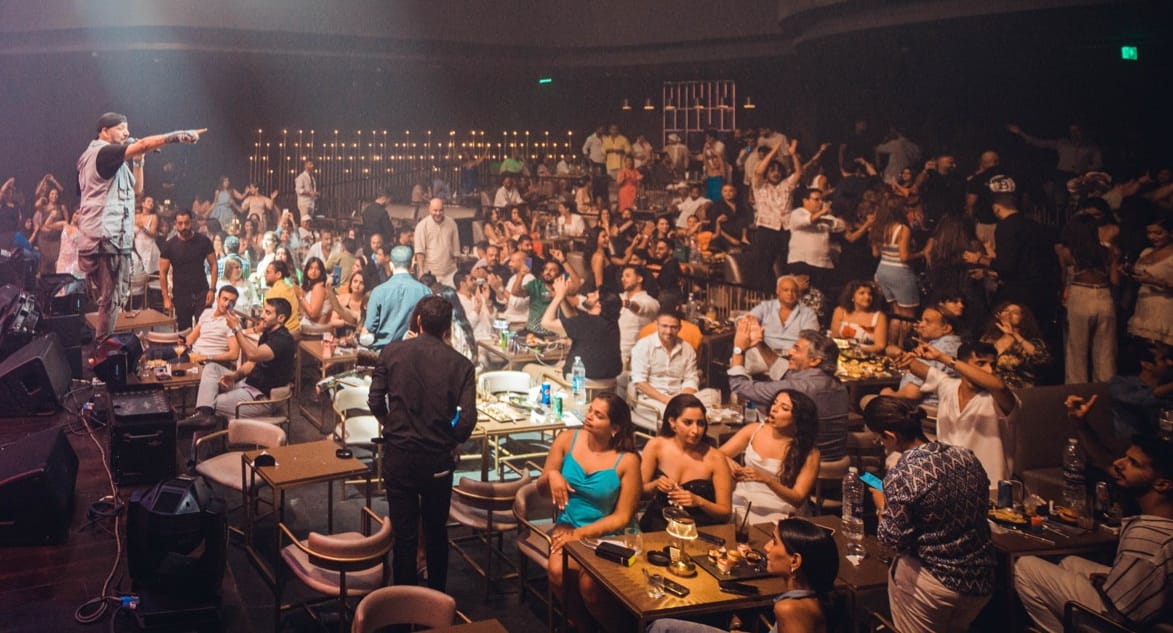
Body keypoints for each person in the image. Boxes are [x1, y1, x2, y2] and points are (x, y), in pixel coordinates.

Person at [1014, 395, 1173, 633]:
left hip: (1120, 622)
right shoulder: (1159, 520)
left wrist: (1108, 591)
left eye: (1133, 463)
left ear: (1162, 484)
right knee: (1069, 562)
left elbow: (1121, 616)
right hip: (1140, 606)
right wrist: (1081, 424)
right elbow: (1107, 462)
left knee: (1025, 566)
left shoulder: (1148, 537)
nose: (1119, 463)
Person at [366, 295, 475, 590]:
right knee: (436, 532)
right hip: (437, 459)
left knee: (404, 536)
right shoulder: (461, 364)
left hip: (399, 455)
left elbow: (374, 400)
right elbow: (467, 420)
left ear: (418, 321)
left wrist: (391, 426)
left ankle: (403, 602)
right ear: (447, 328)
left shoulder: (392, 352)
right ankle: (437, 599)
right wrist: (451, 439)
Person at [865, 396, 996, 633]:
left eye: (879, 438)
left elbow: (890, 540)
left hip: (934, 584)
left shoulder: (903, 473)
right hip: (980, 580)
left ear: (890, 436)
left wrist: (882, 504)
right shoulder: (966, 456)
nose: (880, 443)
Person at [76, 112, 203, 339]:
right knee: (111, 299)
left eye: (127, 128)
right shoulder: (103, 152)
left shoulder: (107, 161)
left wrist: (139, 160)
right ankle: (104, 348)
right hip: (107, 238)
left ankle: (104, 345)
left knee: (111, 299)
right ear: (104, 131)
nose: (126, 133)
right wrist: (178, 136)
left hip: (105, 238)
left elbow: (137, 190)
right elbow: (143, 143)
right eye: (121, 128)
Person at [540, 392, 640, 632]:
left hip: (611, 533)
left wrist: (580, 534)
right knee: (557, 572)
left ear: (615, 428)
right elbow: (541, 490)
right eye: (590, 410)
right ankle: (583, 626)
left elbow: (623, 517)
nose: (589, 417)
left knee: (590, 587)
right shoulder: (567, 439)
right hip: (569, 523)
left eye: (599, 415)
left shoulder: (628, 460)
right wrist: (552, 475)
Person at [648, 518, 839, 633]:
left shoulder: (789, 608)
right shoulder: (811, 596)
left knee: (661, 628)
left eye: (774, 542)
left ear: (795, 561)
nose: (766, 547)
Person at [892, 341, 1018, 485]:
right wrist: (905, 355)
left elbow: (1000, 387)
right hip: (951, 484)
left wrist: (941, 357)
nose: (989, 370)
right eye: (981, 363)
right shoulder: (948, 387)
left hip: (991, 487)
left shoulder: (999, 399)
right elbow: (917, 366)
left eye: (993, 365)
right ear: (963, 365)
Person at [729, 328, 850, 462]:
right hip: (837, 459)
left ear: (814, 361)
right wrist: (760, 343)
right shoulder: (838, 385)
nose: (789, 352)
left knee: (751, 432)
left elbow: (740, 386)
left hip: (803, 463)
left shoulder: (798, 389)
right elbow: (783, 370)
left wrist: (738, 349)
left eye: (796, 349)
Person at [178, 297, 296, 429]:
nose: (262, 315)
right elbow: (252, 363)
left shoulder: (282, 340)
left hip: (262, 397)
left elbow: (252, 354)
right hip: (248, 384)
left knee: (212, 402)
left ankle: (203, 418)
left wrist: (236, 328)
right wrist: (235, 376)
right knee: (211, 368)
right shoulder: (268, 333)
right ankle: (204, 417)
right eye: (263, 310)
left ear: (281, 318)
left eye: (268, 313)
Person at [719, 388, 821, 524]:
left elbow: (797, 499)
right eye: (775, 403)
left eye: (784, 408)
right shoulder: (754, 430)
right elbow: (717, 455)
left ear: (798, 419)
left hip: (781, 507)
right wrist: (728, 462)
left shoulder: (809, 452)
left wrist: (767, 480)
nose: (774, 409)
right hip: (743, 498)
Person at [638, 394, 733, 532]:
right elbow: (639, 492)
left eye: (700, 423)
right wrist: (655, 485)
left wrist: (699, 501)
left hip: (696, 529)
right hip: (657, 524)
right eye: (688, 423)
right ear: (672, 422)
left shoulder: (716, 459)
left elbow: (725, 513)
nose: (695, 430)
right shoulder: (656, 446)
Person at [540, 276, 623, 381]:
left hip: (579, 382)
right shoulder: (610, 323)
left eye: (594, 294)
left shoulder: (587, 322)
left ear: (599, 304)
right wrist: (563, 297)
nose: (589, 294)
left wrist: (558, 297)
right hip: (608, 381)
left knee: (529, 368)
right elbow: (573, 321)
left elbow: (546, 323)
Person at [629, 310, 700, 421]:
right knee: (679, 416)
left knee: (710, 401)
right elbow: (639, 381)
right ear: (657, 325)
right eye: (664, 326)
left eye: (673, 327)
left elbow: (691, 378)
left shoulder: (687, 348)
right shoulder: (643, 346)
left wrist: (684, 399)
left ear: (680, 328)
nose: (668, 331)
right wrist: (667, 400)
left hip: (680, 397)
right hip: (652, 399)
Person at [744, 275, 819, 379]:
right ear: (778, 291)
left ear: (798, 293)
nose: (790, 293)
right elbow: (747, 319)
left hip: (791, 356)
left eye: (793, 291)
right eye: (785, 290)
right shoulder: (766, 307)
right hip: (763, 351)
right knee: (741, 363)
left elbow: (810, 339)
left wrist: (793, 352)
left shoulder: (808, 314)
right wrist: (750, 323)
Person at [159, 209, 217, 330]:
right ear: (175, 224)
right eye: (180, 223)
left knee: (204, 329)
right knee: (184, 331)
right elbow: (163, 273)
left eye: (186, 223)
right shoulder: (169, 245)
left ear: (192, 222)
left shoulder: (203, 241)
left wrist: (212, 290)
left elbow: (214, 265)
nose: (184, 227)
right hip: (181, 294)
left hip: (202, 291)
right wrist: (166, 297)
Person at [362, 245, 430, 348]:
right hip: (414, 351)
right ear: (412, 263)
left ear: (391, 265)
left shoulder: (378, 292)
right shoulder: (425, 291)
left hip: (384, 352)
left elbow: (370, 328)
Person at [979, 301, 1051, 388]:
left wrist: (1014, 334)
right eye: (1006, 310)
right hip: (992, 389)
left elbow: (1042, 358)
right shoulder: (988, 339)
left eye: (1015, 312)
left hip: (1020, 391)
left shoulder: (1030, 341)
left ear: (1023, 318)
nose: (1009, 314)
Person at [1127, 216, 1173, 345]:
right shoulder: (1146, 252)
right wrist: (1128, 272)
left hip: (1164, 307)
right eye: (1149, 233)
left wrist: (1154, 281)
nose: (1152, 237)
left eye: (1158, 233)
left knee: (1159, 350)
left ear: (1170, 233)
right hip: (1143, 306)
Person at [182, 285, 241, 366]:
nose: (227, 304)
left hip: (207, 363)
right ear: (217, 299)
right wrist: (183, 342)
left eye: (231, 302)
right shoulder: (207, 312)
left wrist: (207, 357)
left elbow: (234, 354)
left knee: (167, 367)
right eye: (225, 299)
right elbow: (191, 338)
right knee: (164, 355)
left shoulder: (233, 322)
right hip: (192, 356)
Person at [830, 280, 888, 355]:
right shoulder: (840, 311)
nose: (867, 297)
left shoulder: (879, 316)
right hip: (841, 354)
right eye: (862, 293)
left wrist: (859, 351)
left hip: (867, 356)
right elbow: (834, 338)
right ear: (852, 296)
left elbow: (880, 346)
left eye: (870, 294)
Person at [414, 198, 460, 286]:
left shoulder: (452, 223)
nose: (438, 213)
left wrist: (457, 269)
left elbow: (456, 250)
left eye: (441, 210)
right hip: (430, 274)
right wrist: (421, 272)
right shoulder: (422, 226)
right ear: (429, 210)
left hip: (450, 273)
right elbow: (420, 252)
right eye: (435, 210)